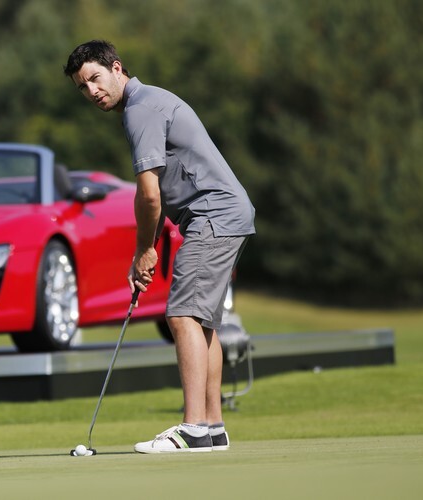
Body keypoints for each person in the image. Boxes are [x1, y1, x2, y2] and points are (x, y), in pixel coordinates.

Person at [64, 40, 255, 453]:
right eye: (83, 87)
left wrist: (143, 251)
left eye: (96, 78)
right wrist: (148, 245)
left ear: (116, 68)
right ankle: (213, 427)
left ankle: (193, 428)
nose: (92, 91)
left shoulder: (140, 109)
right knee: (202, 322)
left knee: (182, 315)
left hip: (213, 215)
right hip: (224, 214)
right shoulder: (147, 103)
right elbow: (149, 196)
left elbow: (150, 196)